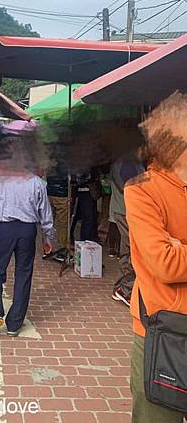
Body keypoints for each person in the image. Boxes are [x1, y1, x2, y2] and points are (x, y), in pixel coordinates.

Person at [125, 92, 187, 423]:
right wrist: (173, 251)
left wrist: (181, 247)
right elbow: (165, 262)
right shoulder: (143, 189)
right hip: (163, 330)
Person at [0, 167, 54, 336]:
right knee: (23, 273)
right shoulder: (37, 182)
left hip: (5, 230)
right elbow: (45, 212)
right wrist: (48, 237)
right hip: (28, 231)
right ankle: (14, 323)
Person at [110, 153, 144, 306]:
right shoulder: (127, 162)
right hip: (127, 211)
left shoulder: (122, 160)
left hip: (124, 210)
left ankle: (121, 288)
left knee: (127, 249)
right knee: (131, 250)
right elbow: (129, 188)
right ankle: (125, 290)